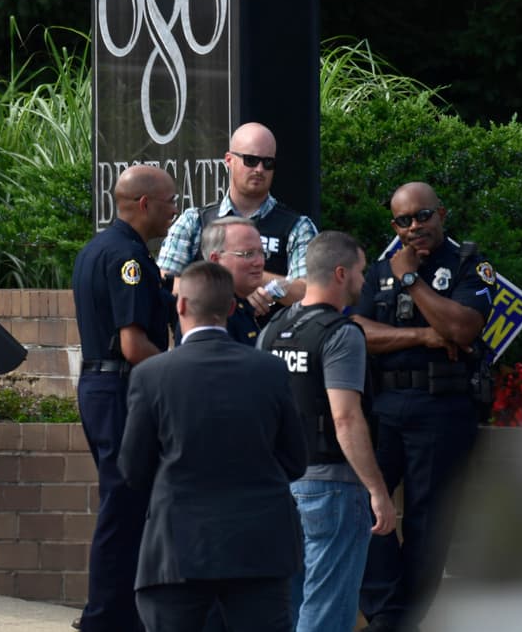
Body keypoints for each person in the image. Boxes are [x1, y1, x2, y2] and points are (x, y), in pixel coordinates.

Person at [119, 260, 306, 632]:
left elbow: (132, 470)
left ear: (181, 305)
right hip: (259, 545)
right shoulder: (269, 370)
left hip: (177, 546)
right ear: (233, 307)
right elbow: (295, 460)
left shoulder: (152, 375)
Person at [351, 181, 496, 632]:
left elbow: (463, 328)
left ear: (442, 214)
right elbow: (355, 329)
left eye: (422, 216)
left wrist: (411, 280)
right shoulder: (378, 269)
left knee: (427, 526)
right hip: (386, 404)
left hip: (442, 407)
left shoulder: (470, 264)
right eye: (403, 221)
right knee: (359, 503)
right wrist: (421, 336)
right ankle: (387, 611)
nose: (414, 228)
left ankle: (397, 621)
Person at [257, 231, 396, 632]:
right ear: (340, 273)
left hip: (283, 485)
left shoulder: (273, 329)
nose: (363, 280)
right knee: (329, 608)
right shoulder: (342, 333)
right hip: (333, 487)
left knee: (294, 603)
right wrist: (377, 491)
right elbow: (346, 419)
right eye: (359, 271)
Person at [72, 164, 177, 632]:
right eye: (170, 201)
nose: (175, 210)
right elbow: (134, 345)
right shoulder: (128, 258)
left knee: (126, 503)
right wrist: (178, 372)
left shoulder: (98, 247)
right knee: (123, 505)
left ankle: (118, 615)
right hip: (119, 389)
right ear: (144, 204)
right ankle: (105, 617)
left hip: (102, 386)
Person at [157, 122, 317, 317]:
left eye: (268, 163)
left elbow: (311, 292)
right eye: (250, 160)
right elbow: (164, 281)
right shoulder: (194, 221)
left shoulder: (298, 226)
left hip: (271, 342)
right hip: (208, 340)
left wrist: (268, 287)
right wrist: (228, 287)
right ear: (229, 160)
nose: (259, 169)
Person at [202, 217, 270, 344]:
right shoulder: (212, 313)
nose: (259, 262)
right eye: (248, 254)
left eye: (261, 253)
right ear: (216, 260)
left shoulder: (240, 305)